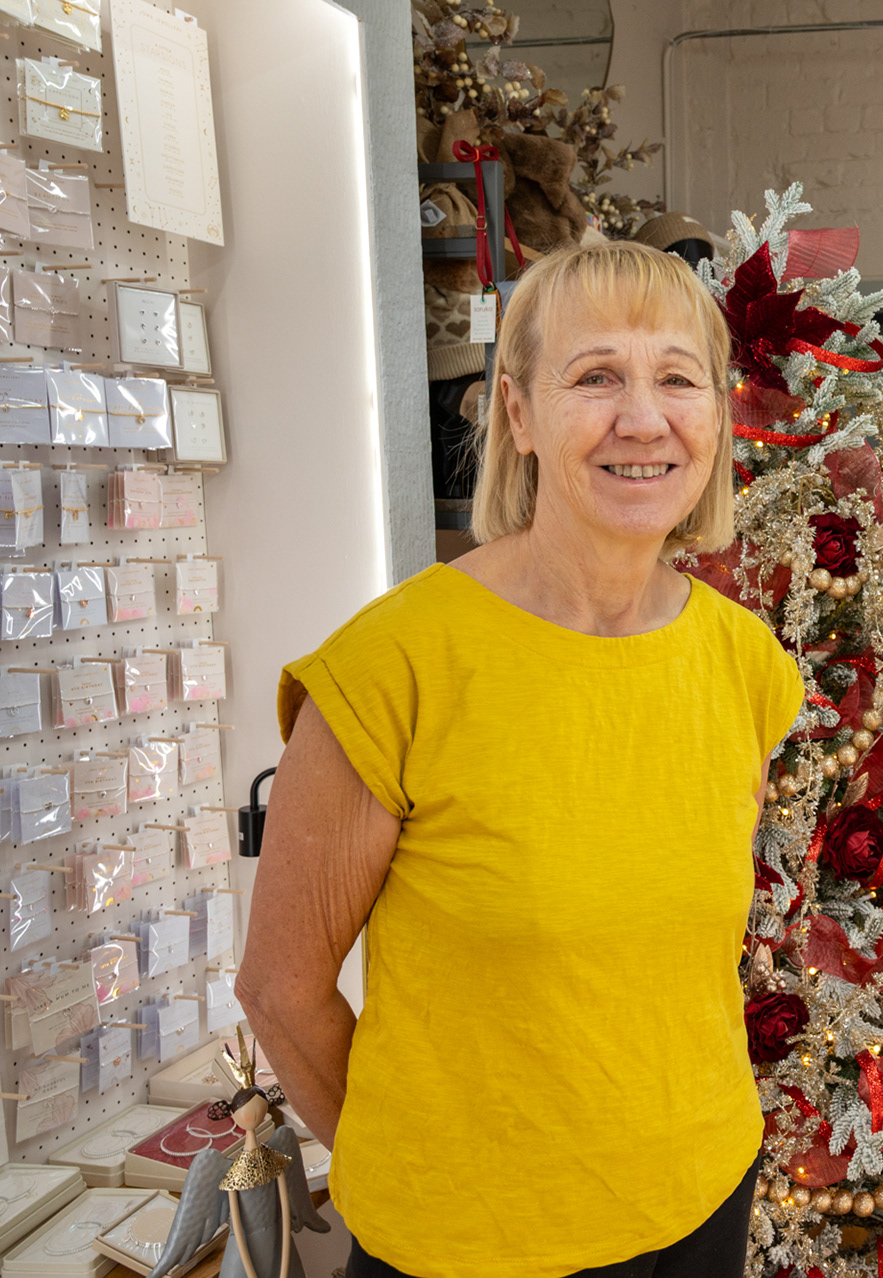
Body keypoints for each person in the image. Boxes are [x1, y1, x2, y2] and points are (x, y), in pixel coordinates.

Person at [235, 241, 805, 1278]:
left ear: (716, 418)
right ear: (517, 414)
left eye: (678, 377)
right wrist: (417, 1166)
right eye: (596, 376)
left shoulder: (746, 667)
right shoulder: (394, 667)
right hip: (465, 1245)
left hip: (701, 1197)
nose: (643, 417)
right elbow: (280, 987)